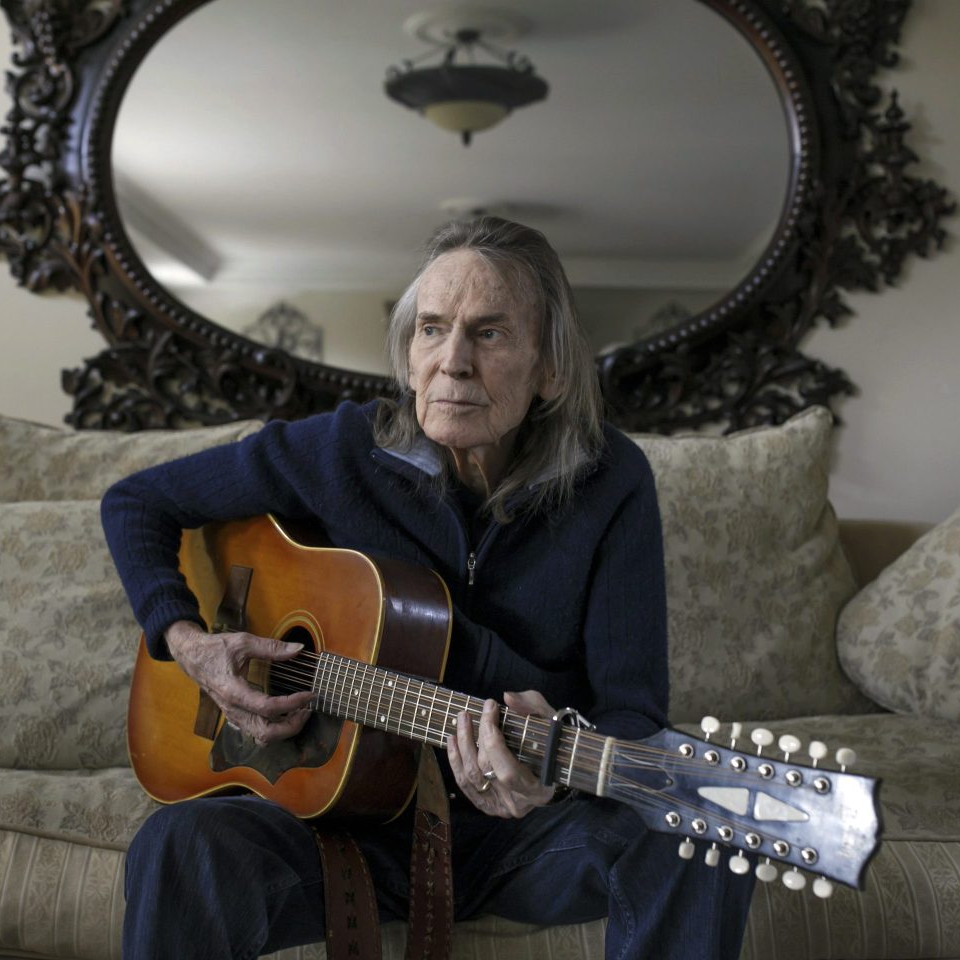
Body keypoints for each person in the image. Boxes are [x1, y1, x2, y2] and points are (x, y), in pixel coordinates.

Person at [101, 216, 755, 959]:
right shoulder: (342, 448)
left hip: (523, 835)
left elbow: (632, 714)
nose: (453, 362)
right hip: (338, 827)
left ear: (551, 368)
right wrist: (190, 645)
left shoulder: (611, 482)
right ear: (409, 357)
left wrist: (551, 774)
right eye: (432, 330)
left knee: (700, 829)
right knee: (180, 844)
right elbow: (136, 504)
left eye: (490, 334)